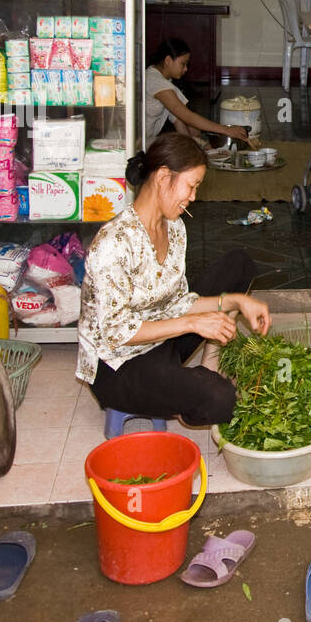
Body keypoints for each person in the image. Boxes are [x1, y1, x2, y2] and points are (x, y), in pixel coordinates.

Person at [77, 133, 270, 427]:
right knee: (220, 399)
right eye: (191, 186)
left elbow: (179, 302)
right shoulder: (114, 243)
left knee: (238, 263)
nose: (193, 197)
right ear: (163, 176)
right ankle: (185, 390)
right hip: (118, 366)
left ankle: (208, 365)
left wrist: (236, 301)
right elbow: (116, 332)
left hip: (162, 339)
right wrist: (193, 323)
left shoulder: (175, 227)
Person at [144, 37, 250, 149]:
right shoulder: (155, 81)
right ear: (168, 61)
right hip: (137, 144)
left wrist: (197, 146)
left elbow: (179, 120)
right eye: (183, 64)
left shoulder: (165, 81)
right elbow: (187, 116)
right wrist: (225, 130)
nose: (186, 69)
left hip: (147, 142)